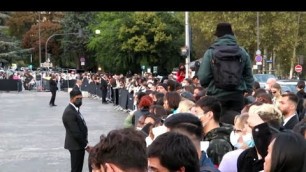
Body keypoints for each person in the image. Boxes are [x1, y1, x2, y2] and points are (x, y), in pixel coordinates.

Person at [197, 22, 254, 115]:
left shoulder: (211, 52)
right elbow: (248, 75)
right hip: (237, 95)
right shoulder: (242, 51)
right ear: (232, 35)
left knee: (217, 122)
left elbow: (203, 76)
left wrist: (209, 87)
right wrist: (247, 90)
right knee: (237, 122)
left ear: (218, 36)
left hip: (216, 95)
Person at [62, 89, 91, 172]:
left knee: (78, 168)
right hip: (75, 145)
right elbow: (75, 132)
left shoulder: (75, 109)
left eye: (81, 98)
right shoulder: (69, 112)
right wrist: (85, 145)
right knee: (76, 169)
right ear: (71, 99)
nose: (80, 100)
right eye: (77, 99)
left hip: (79, 145)